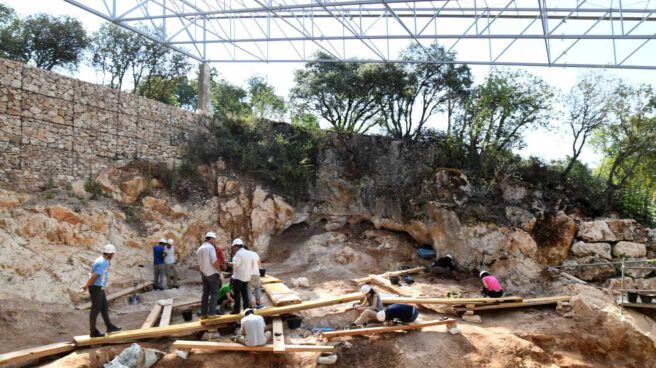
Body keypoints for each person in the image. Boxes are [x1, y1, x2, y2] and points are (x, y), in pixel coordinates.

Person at [80, 244, 122, 338]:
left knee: (104, 307)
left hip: (100, 287)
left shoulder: (101, 259)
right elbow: (95, 276)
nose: (113, 256)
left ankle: (109, 326)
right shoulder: (103, 262)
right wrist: (86, 286)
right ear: (110, 254)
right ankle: (93, 332)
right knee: (95, 309)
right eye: (112, 254)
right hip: (96, 288)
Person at [197, 232, 223, 318]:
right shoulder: (210, 247)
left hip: (204, 274)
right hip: (212, 273)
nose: (214, 241)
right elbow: (214, 261)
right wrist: (219, 272)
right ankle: (211, 313)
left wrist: (202, 272)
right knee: (215, 294)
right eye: (214, 239)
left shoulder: (200, 248)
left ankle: (203, 314)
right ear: (211, 239)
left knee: (205, 294)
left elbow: (200, 263)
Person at [229, 238, 255, 314]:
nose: (233, 249)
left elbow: (236, 265)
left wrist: (228, 263)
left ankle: (236, 310)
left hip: (238, 277)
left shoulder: (239, 254)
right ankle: (246, 309)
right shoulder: (248, 253)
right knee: (245, 294)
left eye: (234, 247)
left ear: (236, 246)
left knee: (237, 295)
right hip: (246, 277)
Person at [242, 241, 264, 309]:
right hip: (256, 273)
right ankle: (258, 304)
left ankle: (250, 305)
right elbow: (260, 265)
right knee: (257, 288)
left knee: (248, 290)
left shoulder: (243, 255)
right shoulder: (255, 253)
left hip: (248, 275)